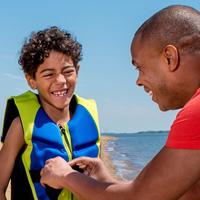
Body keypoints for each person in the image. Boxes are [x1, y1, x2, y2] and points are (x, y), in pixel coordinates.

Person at [40, 5, 200, 200]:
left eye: (140, 67)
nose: (138, 80)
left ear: (169, 57)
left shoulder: (196, 113)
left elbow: (138, 197)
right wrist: (104, 180)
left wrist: (65, 176)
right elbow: (160, 192)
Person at [0, 26, 101, 200]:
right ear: (32, 80)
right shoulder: (21, 125)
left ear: (77, 71)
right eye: (48, 74)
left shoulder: (89, 117)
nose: (61, 81)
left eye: (68, 71)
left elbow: (99, 177)